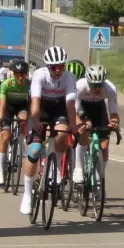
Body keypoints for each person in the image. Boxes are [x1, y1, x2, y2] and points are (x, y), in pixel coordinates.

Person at [21, 47, 78, 217]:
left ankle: (57, 168)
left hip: (59, 108)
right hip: (42, 109)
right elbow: (36, 101)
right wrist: (36, 121)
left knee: (62, 133)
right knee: (35, 150)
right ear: (48, 67)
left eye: (61, 66)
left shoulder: (69, 77)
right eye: (54, 67)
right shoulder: (40, 75)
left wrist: (73, 124)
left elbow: (70, 104)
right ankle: (27, 192)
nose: (58, 70)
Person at [73, 65, 120, 184]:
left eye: (100, 85)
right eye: (94, 85)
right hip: (83, 108)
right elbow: (74, 112)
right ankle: (78, 168)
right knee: (83, 133)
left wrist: (114, 123)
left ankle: (101, 175)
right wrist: (80, 124)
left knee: (104, 145)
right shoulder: (79, 86)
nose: (97, 88)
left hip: (99, 108)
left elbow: (114, 113)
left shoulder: (110, 89)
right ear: (88, 82)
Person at [0, 61, 31, 187]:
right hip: (8, 107)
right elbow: (2, 105)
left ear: (26, 75)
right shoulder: (6, 84)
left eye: (23, 75)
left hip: (21, 106)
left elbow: (31, 104)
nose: (20, 77)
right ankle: (0, 170)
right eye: (18, 74)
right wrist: (0, 120)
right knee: (5, 136)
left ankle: (20, 141)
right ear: (13, 74)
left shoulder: (29, 84)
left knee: (23, 119)